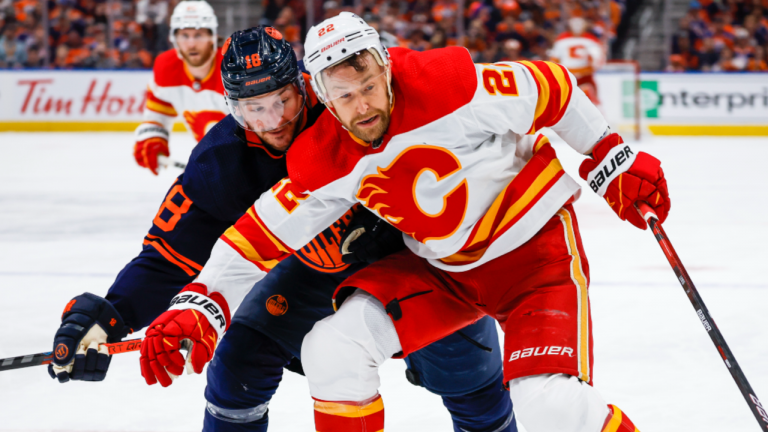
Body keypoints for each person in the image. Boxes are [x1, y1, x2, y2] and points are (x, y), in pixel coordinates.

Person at [149, 12, 671, 432]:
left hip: (533, 259)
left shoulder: (448, 84)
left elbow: (549, 89)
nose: (364, 106)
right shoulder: (327, 153)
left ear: (385, 68)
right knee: (331, 348)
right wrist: (204, 300)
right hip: (444, 273)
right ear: (322, 98)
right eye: (345, 97)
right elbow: (260, 234)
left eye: (370, 85)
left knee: (548, 407)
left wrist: (608, 153)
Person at [49, 26, 515, 432]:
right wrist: (110, 315)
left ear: (305, 85)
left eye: (283, 100)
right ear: (231, 107)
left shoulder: (355, 107)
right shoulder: (221, 162)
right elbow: (169, 256)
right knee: (237, 367)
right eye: (255, 109)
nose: (275, 122)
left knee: (472, 379)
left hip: (418, 264)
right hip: (313, 270)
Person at [133, 0, 228, 175]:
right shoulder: (166, 67)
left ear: (213, 37)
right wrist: (153, 137)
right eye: (185, 35)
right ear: (174, 38)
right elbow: (157, 115)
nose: (191, 44)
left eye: (198, 35)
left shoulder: (233, 69)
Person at [549, 17, 605, 105]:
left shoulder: (562, 39)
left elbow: (554, 59)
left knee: (587, 99)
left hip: (579, 74)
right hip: (573, 74)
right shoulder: (591, 39)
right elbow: (599, 58)